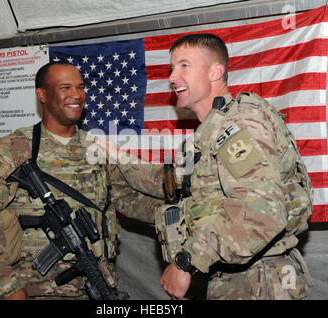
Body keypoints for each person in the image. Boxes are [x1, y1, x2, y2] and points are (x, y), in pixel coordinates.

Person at [106, 33, 314, 300]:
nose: (171, 77)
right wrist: (115, 157)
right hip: (236, 279)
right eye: (171, 68)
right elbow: (169, 185)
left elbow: (261, 212)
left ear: (216, 72)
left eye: (184, 65)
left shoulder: (239, 124)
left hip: (259, 283)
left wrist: (186, 262)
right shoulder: (208, 136)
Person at [0, 61, 149, 300]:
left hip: (98, 286)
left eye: (80, 87)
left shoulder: (97, 147)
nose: (76, 95)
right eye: (65, 87)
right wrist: (6, 289)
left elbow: (126, 199)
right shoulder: (17, 147)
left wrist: (180, 213)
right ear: (42, 95)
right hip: (36, 291)